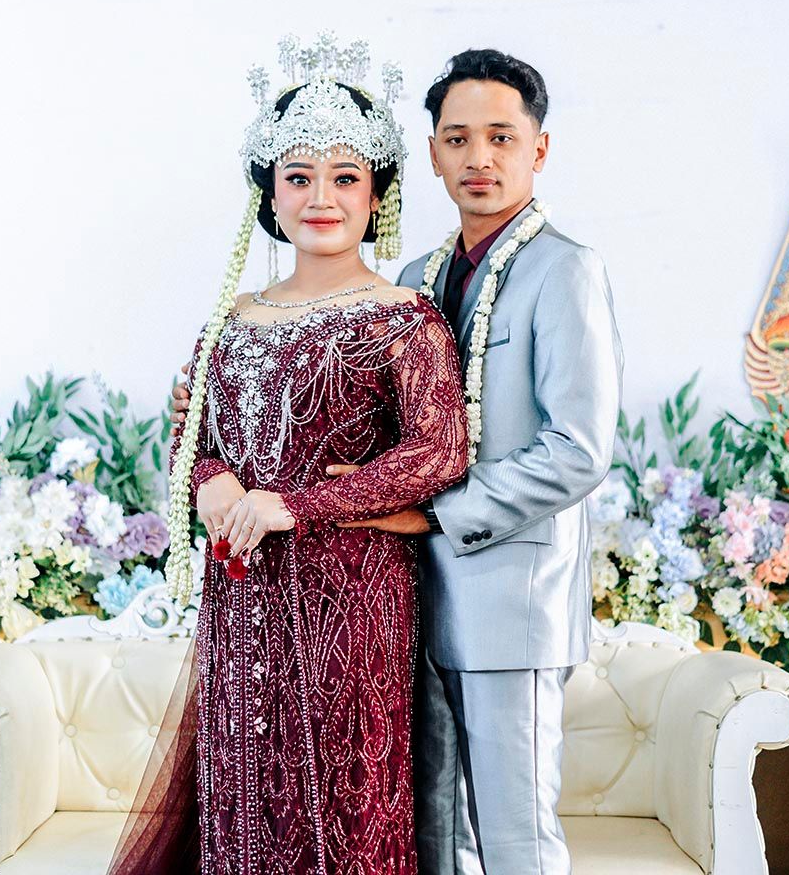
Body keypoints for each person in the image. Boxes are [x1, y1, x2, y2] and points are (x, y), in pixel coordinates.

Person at [173, 48, 624, 875]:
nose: (479, 158)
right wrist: (216, 440)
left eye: (500, 136)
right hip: (405, 592)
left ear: (539, 148)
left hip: (506, 593)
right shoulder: (420, 274)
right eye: (458, 139)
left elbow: (579, 448)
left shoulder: (565, 270)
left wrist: (429, 510)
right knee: (435, 837)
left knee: (516, 834)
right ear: (429, 155)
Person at [113, 35, 468, 875]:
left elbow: (438, 452)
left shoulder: (402, 319)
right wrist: (213, 486)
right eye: (299, 178)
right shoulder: (230, 319)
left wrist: (295, 503)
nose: (321, 198)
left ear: (375, 193)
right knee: (245, 782)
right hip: (244, 598)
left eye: (344, 178)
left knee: (343, 792)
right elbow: (192, 439)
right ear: (269, 194)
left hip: (356, 597)